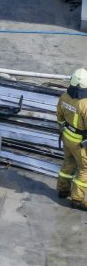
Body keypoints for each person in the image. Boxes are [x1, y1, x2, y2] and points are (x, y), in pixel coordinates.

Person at [57, 68, 87, 211]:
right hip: (81, 143)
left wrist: (63, 129)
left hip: (66, 137)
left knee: (68, 164)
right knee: (84, 170)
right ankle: (77, 199)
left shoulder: (64, 97)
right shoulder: (85, 104)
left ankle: (63, 190)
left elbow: (59, 116)